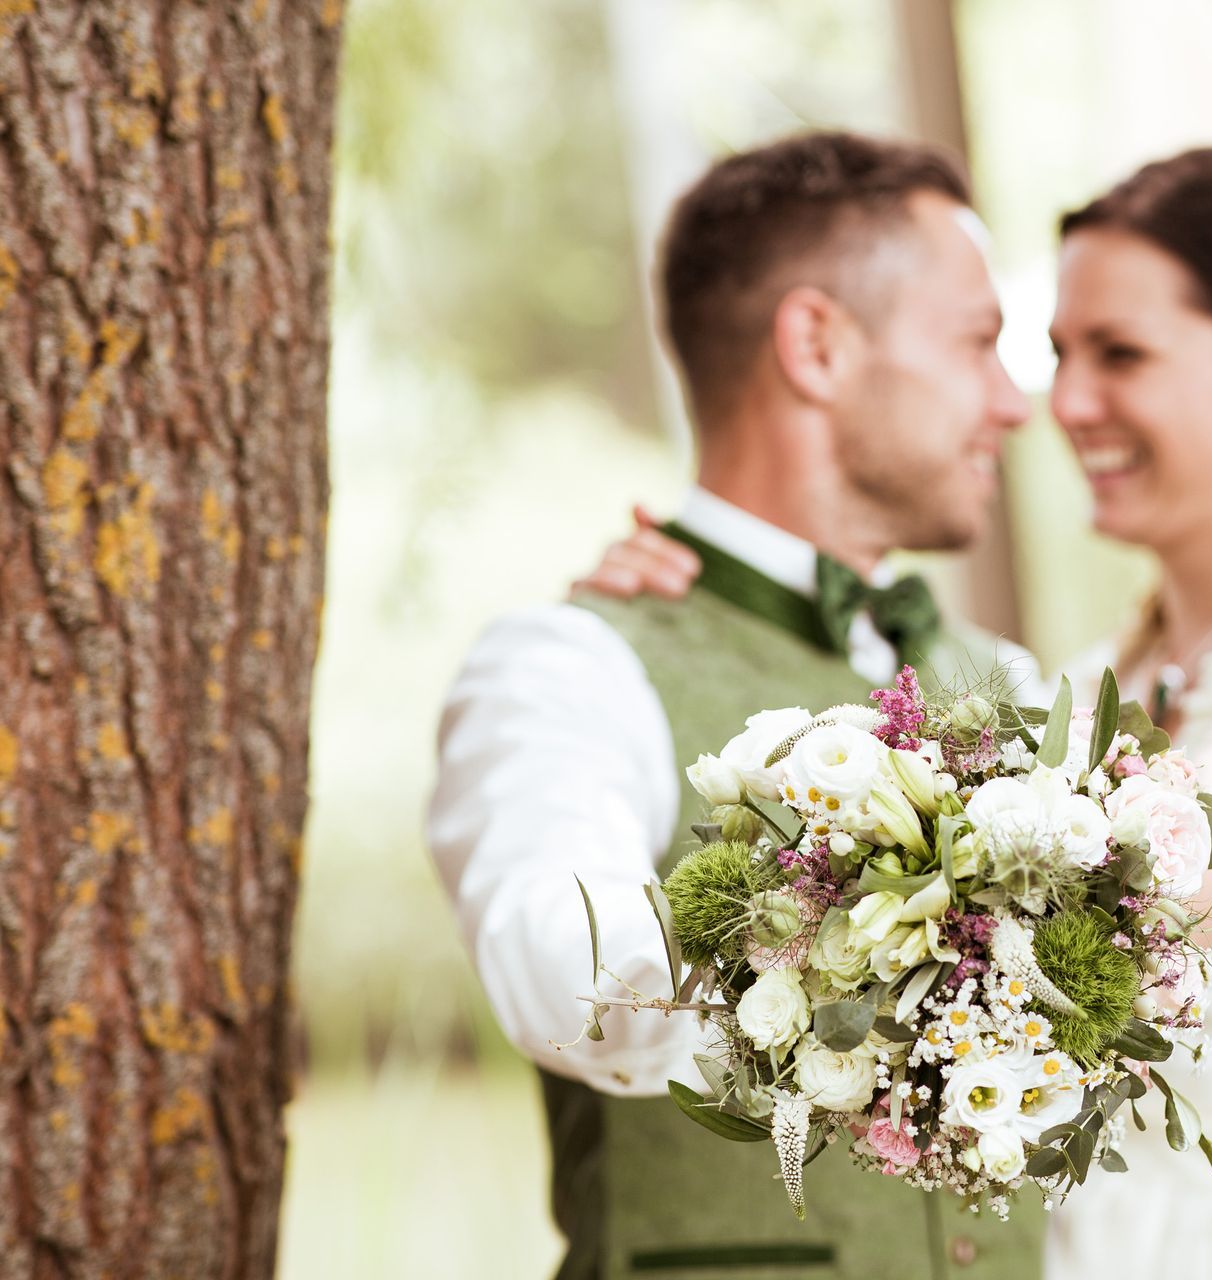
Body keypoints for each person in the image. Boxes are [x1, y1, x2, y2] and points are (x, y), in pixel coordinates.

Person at [581, 146, 1212, 1278]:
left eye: (1121, 354)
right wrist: (702, 576)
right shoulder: (1061, 691)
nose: (1062, 404)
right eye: (1058, 353)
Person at [427, 131, 1044, 1280]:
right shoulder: (571, 666)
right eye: (979, 343)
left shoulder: (1009, 680)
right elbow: (565, 980)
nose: (1014, 402)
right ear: (816, 344)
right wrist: (869, 886)